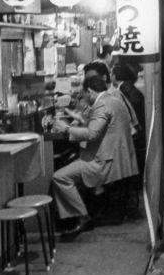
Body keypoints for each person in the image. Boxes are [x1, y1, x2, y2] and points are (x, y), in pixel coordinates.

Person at [50, 74, 139, 237]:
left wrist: (66, 129)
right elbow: (95, 123)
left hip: (105, 161)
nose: (84, 98)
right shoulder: (114, 99)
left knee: (59, 176)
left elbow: (91, 133)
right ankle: (89, 206)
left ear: (90, 91)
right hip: (117, 157)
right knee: (73, 162)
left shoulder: (102, 105)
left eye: (84, 95)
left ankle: (83, 218)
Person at [112, 61, 146, 172]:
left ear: (115, 76)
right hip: (140, 133)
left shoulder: (122, 90)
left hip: (134, 137)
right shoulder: (128, 87)